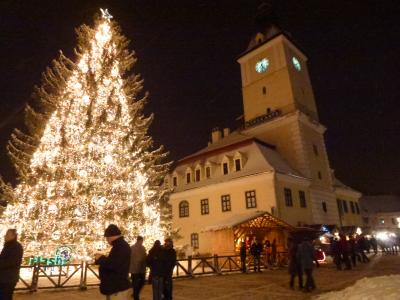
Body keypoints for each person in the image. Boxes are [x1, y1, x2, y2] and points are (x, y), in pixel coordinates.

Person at [95, 224, 131, 300]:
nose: (107, 240)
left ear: (111, 237)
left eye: (107, 238)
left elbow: (113, 265)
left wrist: (100, 258)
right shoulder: (119, 246)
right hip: (116, 286)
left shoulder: (121, 247)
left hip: (117, 287)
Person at [0, 229, 23, 300]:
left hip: (8, 278)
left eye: (7, 234)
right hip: (4, 277)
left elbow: (11, 262)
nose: (5, 236)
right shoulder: (8, 246)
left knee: (5, 296)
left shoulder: (16, 247)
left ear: (13, 236)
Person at [130, 236, 147, 300]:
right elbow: (144, 258)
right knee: (139, 283)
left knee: (136, 283)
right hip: (139, 269)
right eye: (142, 241)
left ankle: (135, 295)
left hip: (135, 269)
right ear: (140, 240)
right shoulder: (141, 248)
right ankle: (136, 296)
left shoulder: (132, 248)